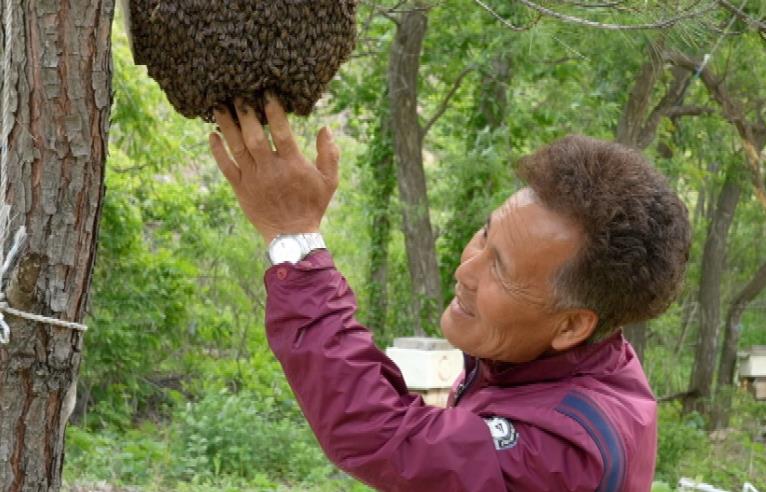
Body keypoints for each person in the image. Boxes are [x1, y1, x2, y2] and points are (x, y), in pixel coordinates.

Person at [209, 96, 691, 492]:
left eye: (500, 268)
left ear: (571, 325)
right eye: (485, 235)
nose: (465, 269)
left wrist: (294, 238)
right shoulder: (558, 358)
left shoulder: (566, 457)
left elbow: (386, 435)